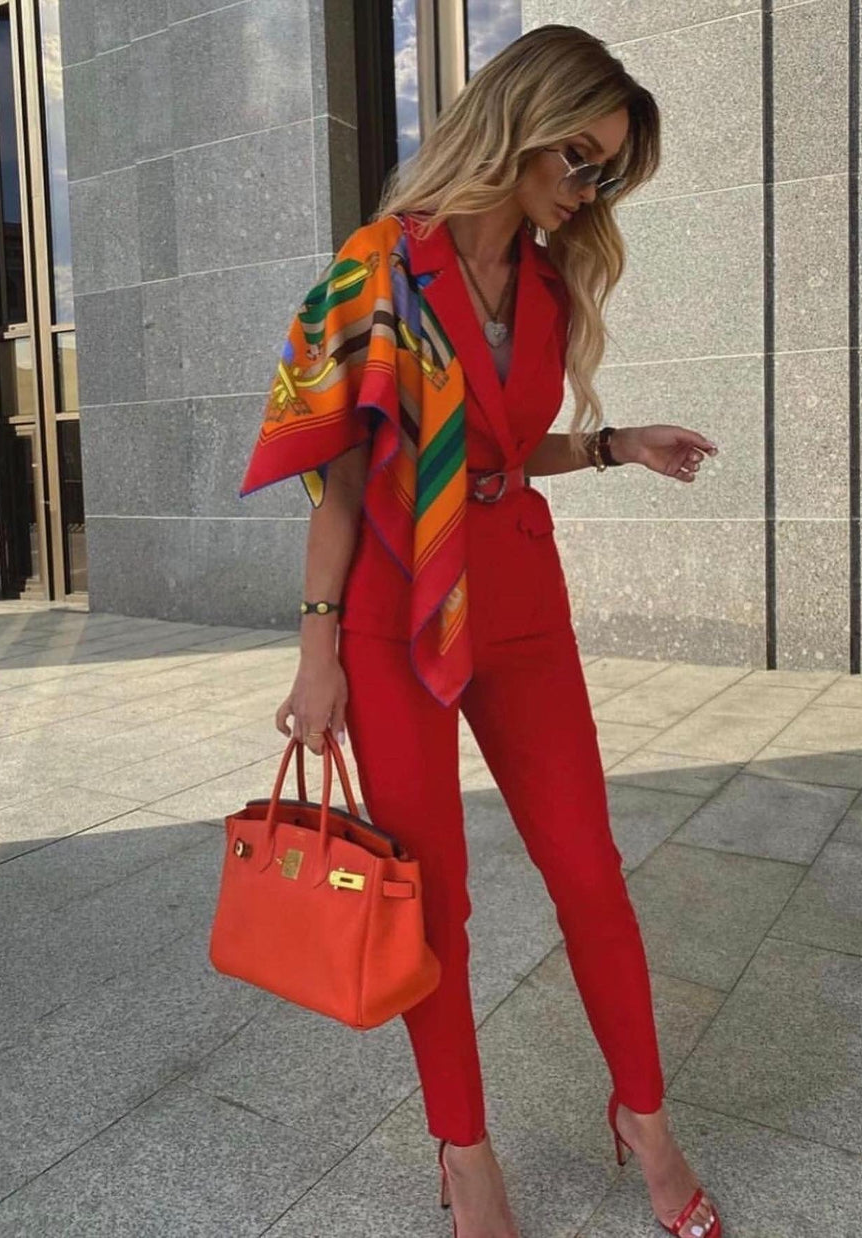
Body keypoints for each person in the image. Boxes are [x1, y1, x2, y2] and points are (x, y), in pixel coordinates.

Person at [241, 23, 723, 1238]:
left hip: (516, 594)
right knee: (433, 899)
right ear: (518, 123)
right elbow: (347, 479)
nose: (589, 188)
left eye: (608, 171)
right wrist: (315, 653)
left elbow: (492, 451)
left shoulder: (551, 285)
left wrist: (613, 442)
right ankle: (464, 1153)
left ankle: (645, 1117)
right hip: (386, 609)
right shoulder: (376, 270)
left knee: (589, 871)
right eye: (579, 156)